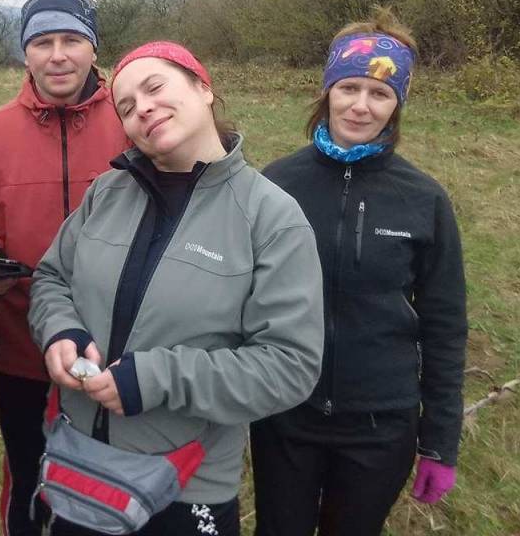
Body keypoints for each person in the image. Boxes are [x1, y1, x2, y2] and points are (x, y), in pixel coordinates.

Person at [28, 41, 325, 536]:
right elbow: (52, 278)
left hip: (185, 484)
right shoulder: (105, 193)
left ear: (203, 89)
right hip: (80, 466)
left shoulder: (271, 217)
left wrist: (157, 378)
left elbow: (289, 365)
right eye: (126, 107)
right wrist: (62, 331)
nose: (142, 108)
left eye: (154, 87)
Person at [250, 10, 468, 536]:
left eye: (380, 94)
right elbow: (239, 296)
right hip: (286, 413)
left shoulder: (424, 199)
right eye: (349, 87)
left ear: (397, 105)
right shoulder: (275, 184)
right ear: (327, 91)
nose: (361, 105)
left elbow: (445, 325)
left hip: (381, 423)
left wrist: (440, 441)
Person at [0, 0, 128, 536]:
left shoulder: (133, 124)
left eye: (71, 40)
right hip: (22, 347)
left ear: (94, 49)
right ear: (25, 53)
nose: (57, 56)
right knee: (29, 475)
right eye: (42, 42)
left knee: (115, 482)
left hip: (124, 347)